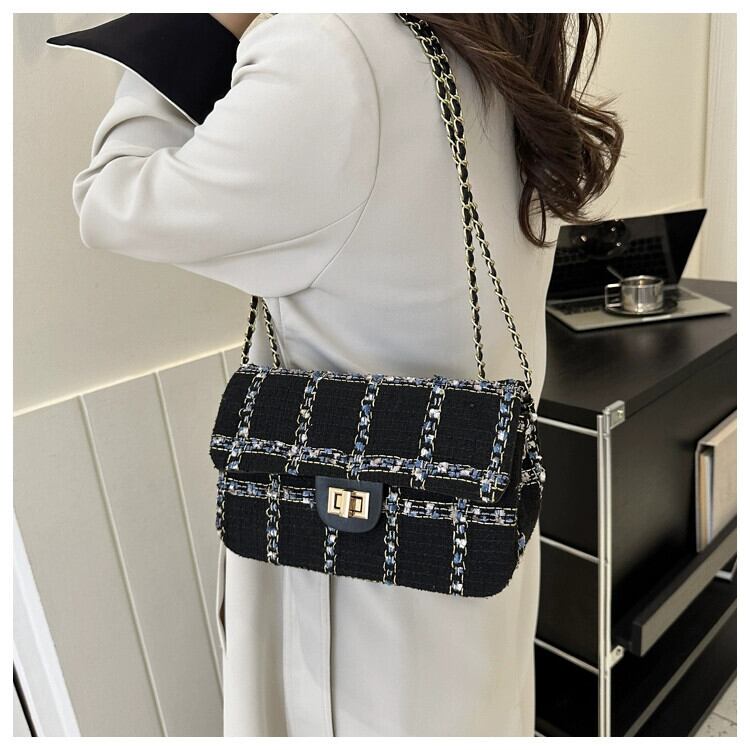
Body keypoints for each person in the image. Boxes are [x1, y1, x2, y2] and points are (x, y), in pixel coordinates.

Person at [47, 12, 622, 736]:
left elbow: (112, 201)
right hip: (468, 521)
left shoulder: (330, 47)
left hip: (355, 576)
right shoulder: (494, 45)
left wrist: (193, 29)